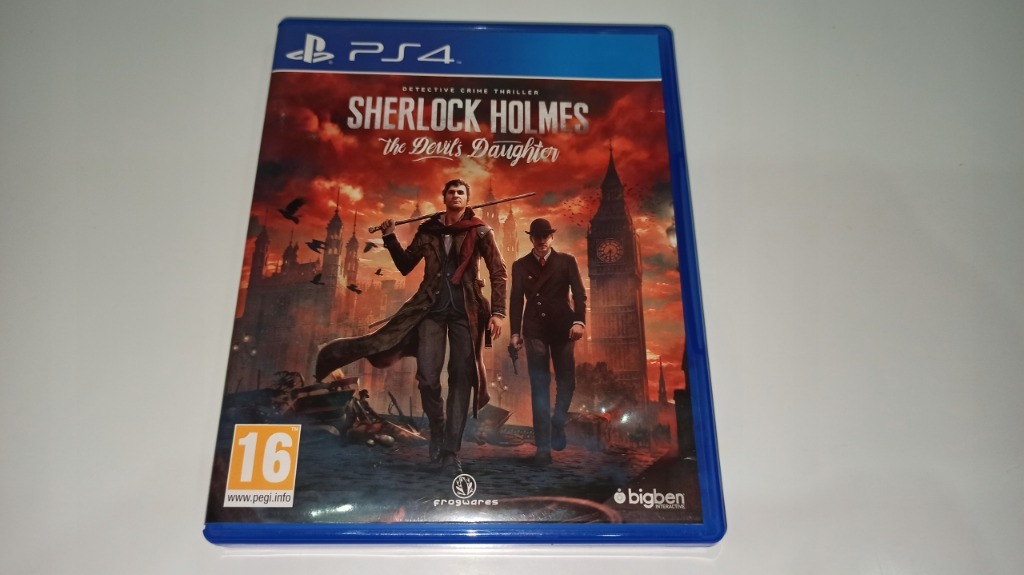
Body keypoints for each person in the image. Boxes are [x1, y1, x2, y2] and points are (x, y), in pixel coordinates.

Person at [315, 179, 506, 476]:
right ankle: (438, 429)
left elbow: (498, 271)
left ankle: (450, 451)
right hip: (429, 308)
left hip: (466, 312)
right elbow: (406, 265)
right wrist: (390, 237)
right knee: (428, 378)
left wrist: (498, 312)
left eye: (461, 192)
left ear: (467, 199)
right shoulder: (428, 230)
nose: (456, 195)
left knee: (461, 378)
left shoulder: (480, 231)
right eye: (451, 192)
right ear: (444, 197)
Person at [509, 218, 586, 465]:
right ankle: (543, 447)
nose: (541, 240)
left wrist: (579, 321)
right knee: (540, 384)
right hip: (535, 329)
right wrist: (514, 333)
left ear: (552, 237)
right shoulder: (520, 265)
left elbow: (579, 294)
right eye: (537, 236)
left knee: (567, 381)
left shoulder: (566, 261)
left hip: (564, 327)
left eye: (545, 236)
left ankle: (558, 420)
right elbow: (516, 300)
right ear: (531, 238)